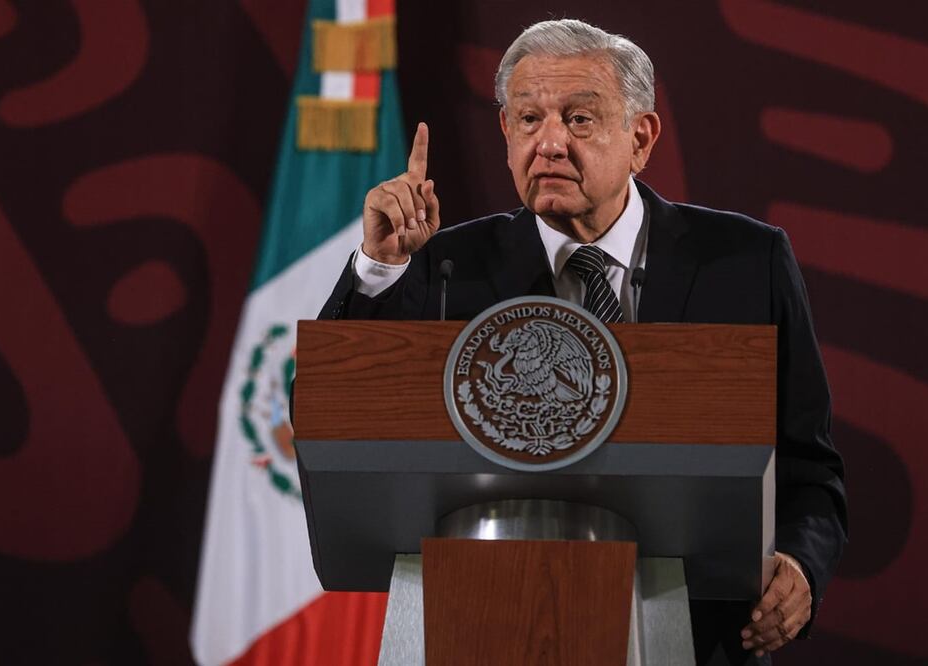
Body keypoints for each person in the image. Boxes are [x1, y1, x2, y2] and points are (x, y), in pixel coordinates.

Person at [317, 18, 847, 665]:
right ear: (506, 134)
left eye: (578, 119)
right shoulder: (443, 265)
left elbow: (807, 466)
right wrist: (379, 267)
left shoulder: (743, 261)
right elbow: (331, 422)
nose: (548, 143)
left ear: (641, 137)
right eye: (528, 118)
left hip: (698, 638)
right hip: (485, 627)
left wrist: (797, 564)